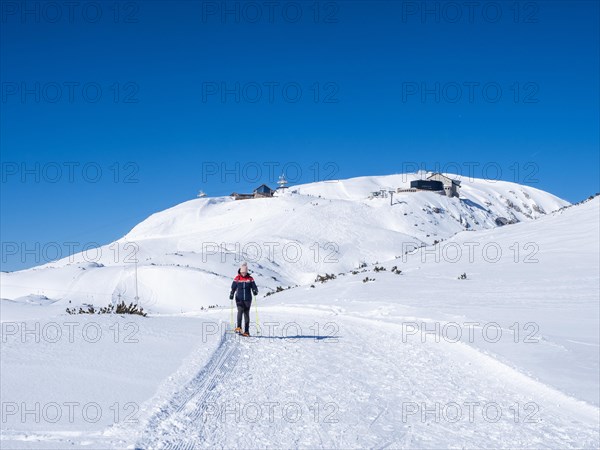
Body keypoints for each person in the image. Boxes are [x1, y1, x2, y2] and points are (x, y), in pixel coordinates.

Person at [229, 262, 258, 336]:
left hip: (248, 299)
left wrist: (255, 291)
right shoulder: (237, 278)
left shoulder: (250, 279)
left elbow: (254, 286)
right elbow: (233, 287)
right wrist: (232, 293)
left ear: (247, 272)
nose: (243, 274)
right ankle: (239, 327)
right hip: (239, 298)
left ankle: (246, 331)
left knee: (246, 314)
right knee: (240, 312)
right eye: (242, 272)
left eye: (245, 272)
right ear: (240, 271)